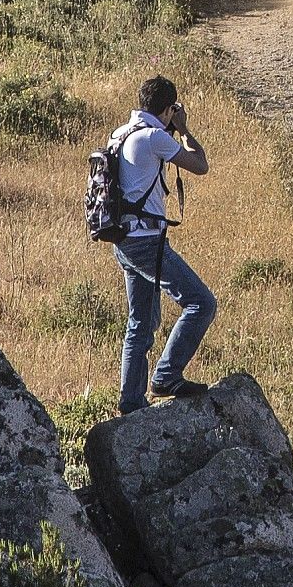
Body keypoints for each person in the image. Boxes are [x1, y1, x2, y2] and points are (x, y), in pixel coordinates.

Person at [110, 74, 216, 415]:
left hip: (123, 239)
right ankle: (166, 377)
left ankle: (130, 402)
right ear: (169, 108)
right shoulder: (155, 137)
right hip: (147, 242)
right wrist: (183, 130)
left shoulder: (121, 134)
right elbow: (200, 165)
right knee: (201, 303)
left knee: (140, 322)